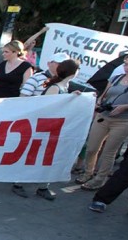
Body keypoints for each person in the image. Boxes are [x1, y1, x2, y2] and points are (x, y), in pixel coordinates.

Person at [12, 59, 80, 201]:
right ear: (74, 73)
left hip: (54, 129)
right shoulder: (55, 87)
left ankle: (43, 186)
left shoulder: (63, 85)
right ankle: (19, 182)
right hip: (46, 128)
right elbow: (49, 109)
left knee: (48, 157)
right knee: (35, 155)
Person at [80, 53, 128, 190]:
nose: (127, 67)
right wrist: (99, 101)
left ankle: (100, 179)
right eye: (126, 64)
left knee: (109, 151)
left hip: (124, 120)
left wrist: (126, 107)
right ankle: (88, 172)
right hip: (104, 116)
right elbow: (105, 94)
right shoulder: (116, 77)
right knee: (92, 147)